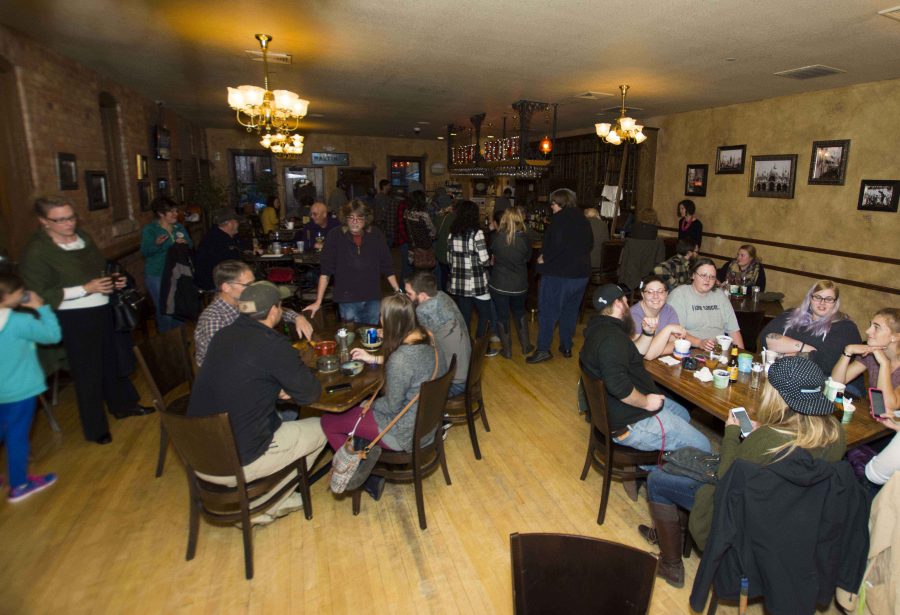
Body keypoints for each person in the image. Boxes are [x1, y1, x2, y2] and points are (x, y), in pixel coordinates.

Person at [638, 357, 846, 587]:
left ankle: (671, 565)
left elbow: (727, 477)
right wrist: (764, 430)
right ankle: (676, 531)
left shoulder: (769, 440)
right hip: (791, 519)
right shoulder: (835, 432)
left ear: (778, 396)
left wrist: (731, 433)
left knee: (657, 480)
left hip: (744, 516)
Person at [188, 282, 326, 526]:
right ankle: (268, 504)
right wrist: (283, 388)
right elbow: (310, 395)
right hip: (237, 462)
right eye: (281, 305)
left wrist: (271, 388)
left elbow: (241, 379)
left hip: (199, 455)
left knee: (280, 419)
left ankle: (269, 496)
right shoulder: (273, 345)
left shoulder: (222, 336)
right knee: (323, 427)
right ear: (273, 311)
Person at [21, 197, 152, 445]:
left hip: (101, 310)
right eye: (60, 220)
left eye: (71, 217)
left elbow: (98, 269)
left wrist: (114, 281)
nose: (69, 223)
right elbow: (36, 294)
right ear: (43, 222)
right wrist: (84, 289)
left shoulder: (83, 238)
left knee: (111, 363)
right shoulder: (38, 251)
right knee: (87, 373)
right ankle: (95, 428)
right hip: (73, 317)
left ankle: (123, 405)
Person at [321, 293, 446, 500]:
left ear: (391, 322)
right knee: (359, 412)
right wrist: (374, 358)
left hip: (403, 434)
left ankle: (365, 475)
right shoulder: (429, 337)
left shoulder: (401, 360)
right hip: (427, 425)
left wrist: (365, 404)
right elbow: (412, 370)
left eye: (382, 317)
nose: (379, 320)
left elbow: (390, 407)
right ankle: (366, 454)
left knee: (329, 421)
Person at [580, 283, 711, 463]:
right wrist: (646, 402)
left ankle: (655, 465)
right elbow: (620, 388)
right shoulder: (611, 340)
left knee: (683, 415)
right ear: (618, 304)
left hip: (618, 411)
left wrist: (648, 334)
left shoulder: (601, 329)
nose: (628, 305)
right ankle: (656, 472)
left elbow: (633, 352)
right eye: (626, 301)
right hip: (631, 422)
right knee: (703, 444)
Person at [0, 273, 61, 502]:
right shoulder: (19, 322)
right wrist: (41, 308)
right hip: (21, 391)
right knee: (17, 437)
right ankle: (19, 484)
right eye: (19, 290)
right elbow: (52, 336)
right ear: (8, 295)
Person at [194, 261, 313, 366]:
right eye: (248, 285)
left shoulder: (243, 303)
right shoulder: (213, 319)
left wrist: (297, 317)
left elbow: (272, 310)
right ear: (226, 287)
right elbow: (224, 363)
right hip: (227, 380)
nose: (253, 289)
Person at [831, 308, 900, 486]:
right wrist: (848, 351)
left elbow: (889, 406)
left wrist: (884, 364)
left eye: (876, 327)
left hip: (889, 437)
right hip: (872, 424)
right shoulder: (873, 354)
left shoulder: (881, 358)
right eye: (870, 325)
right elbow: (837, 382)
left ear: (895, 336)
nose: (868, 331)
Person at [304, 199, 401, 325]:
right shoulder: (335, 235)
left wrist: (398, 291)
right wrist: (318, 301)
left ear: (366, 219)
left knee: (371, 337)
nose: (355, 222)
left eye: (359, 218)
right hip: (347, 298)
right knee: (350, 337)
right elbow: (325, 272)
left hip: (372, 297)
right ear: (345, 218)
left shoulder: (376, 234)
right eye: (351, 218)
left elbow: (387, 267)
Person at [527, 188, 593, 364]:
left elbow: (556, 244)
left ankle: (543, 349)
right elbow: (590, 244)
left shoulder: (559, 220)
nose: (552, 207)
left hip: (559, 274)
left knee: (548, 312)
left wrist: (543, 257)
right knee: (570, 311)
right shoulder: (584, 220)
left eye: (553, 203)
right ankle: (566, 345)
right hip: (581, 275)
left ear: (560, 203)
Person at [761, 280, 862, 379]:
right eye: (817, 297)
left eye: (829, 299)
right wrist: (807, 349)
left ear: (835, 302)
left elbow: (826, 364)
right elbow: (765, 338)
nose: (822, 303)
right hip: (782, 375)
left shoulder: (845, 328)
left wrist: (785, 354)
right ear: (810, 298)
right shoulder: (791, 315)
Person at [405, 270, 470, 397]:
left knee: (406, 389)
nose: (407, 297)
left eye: (409, 294)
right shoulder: (442, 296)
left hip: (453, 383)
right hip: (465, 372)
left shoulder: (423, 310)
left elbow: (419, 346)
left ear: (423, 295)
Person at [667, 258, 744, 351]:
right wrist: (699, 343)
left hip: (719, 350)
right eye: (703, 275)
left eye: (712, 277)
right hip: (689, 349)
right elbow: (675, 332)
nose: (708, 280)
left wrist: (740, 355)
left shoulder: (720, 295)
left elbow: (734, 331)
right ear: (693, 275)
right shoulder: (679, 295)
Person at [140, 196, 192, 333]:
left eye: (176, 211)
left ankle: (180, 339)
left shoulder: (178, 227)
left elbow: (190, 245)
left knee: (178, 306)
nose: (176, 214)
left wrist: (184, 243)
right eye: (172, 212)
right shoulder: (150, 229)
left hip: (177, 272)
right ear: (161, 214)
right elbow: (145, 251)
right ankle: (168, 341)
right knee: (164, 309)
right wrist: (157, 244)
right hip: (157, 274)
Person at [488, 207, 533, 358]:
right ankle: (526, 346)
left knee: (502, 316)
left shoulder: (496, 237)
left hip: (499, 283)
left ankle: (507, 351)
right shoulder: (526, 238)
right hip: (519, 284)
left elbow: (492, 256)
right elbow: (527, 258)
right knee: (520, 313)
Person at [447, 200, 492, 339]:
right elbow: (485, 260)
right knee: (486, 315)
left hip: (459, 282)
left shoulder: (452, 234)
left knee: (465, 317)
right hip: (476, 282)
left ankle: (465, 347)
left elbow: (449, 259)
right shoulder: (476, 233)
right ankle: (481, 345)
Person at [630, 275, 685, 360]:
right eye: (650, 292)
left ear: (666, 294)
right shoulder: (633, 315)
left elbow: (677, 343)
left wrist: (655, 350)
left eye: (660, 291)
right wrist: (668, 329)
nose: (655, 296)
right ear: (643, 295)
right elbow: (645, 354)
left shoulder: (668, 310)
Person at [194, 208, 243, 291]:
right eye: (236, 222)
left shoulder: (220, 235)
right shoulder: (217, 239)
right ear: (230, 223)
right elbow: (229, 263)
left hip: (218, 278)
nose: (238, 224)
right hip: (213, 282)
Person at [404, 189, 436, 270]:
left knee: (415, 271)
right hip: (425, 248)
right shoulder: (424, 215)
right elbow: (433, 232)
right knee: (426, 272)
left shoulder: (406, 213)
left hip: (413, 247)